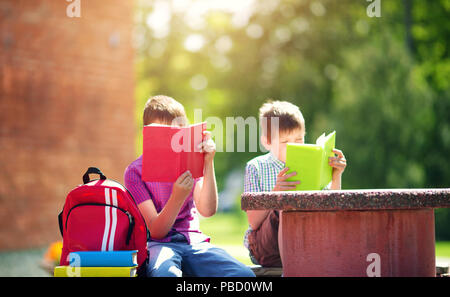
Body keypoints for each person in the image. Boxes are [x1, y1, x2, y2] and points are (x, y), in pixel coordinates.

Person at [124, 95, 255, 277]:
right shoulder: (134, 172)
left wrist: (208, 163)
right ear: (148, 134)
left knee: (243, 276)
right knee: (166, 275)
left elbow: (208, 210)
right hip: (159, 244)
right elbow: (156, 231)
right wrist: (177, 198)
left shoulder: (189, 160)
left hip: (194, 241)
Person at [243, 100, 347, 267]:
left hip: (305, 241)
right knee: (286, 205)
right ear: (267, 142)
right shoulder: (256, 167)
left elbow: (331, 209)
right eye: (285, 142)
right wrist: (276, 193)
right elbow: (254, 222)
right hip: (266, 247)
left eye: (299, 139)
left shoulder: (311, 164)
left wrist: (336, 176)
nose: (293, 146)